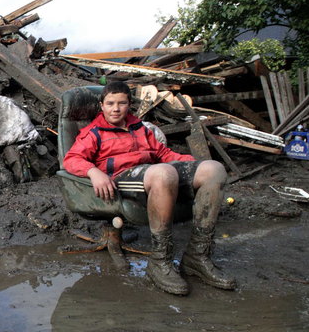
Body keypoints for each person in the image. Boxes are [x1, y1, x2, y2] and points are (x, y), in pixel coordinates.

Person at [63, 82, 236, 295]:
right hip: (121, 178)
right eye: (110, 103)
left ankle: (197, 256)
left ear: (130, 105)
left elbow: (163, 154)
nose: (115, 108)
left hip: (153, 172)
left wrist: (190, 164)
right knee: (164, 173)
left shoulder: (139, 128)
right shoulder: (94, 132)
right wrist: (93, 172)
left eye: (122, 103)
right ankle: (160, 260)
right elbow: (71, 159)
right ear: (101, 106)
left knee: (213, 169)